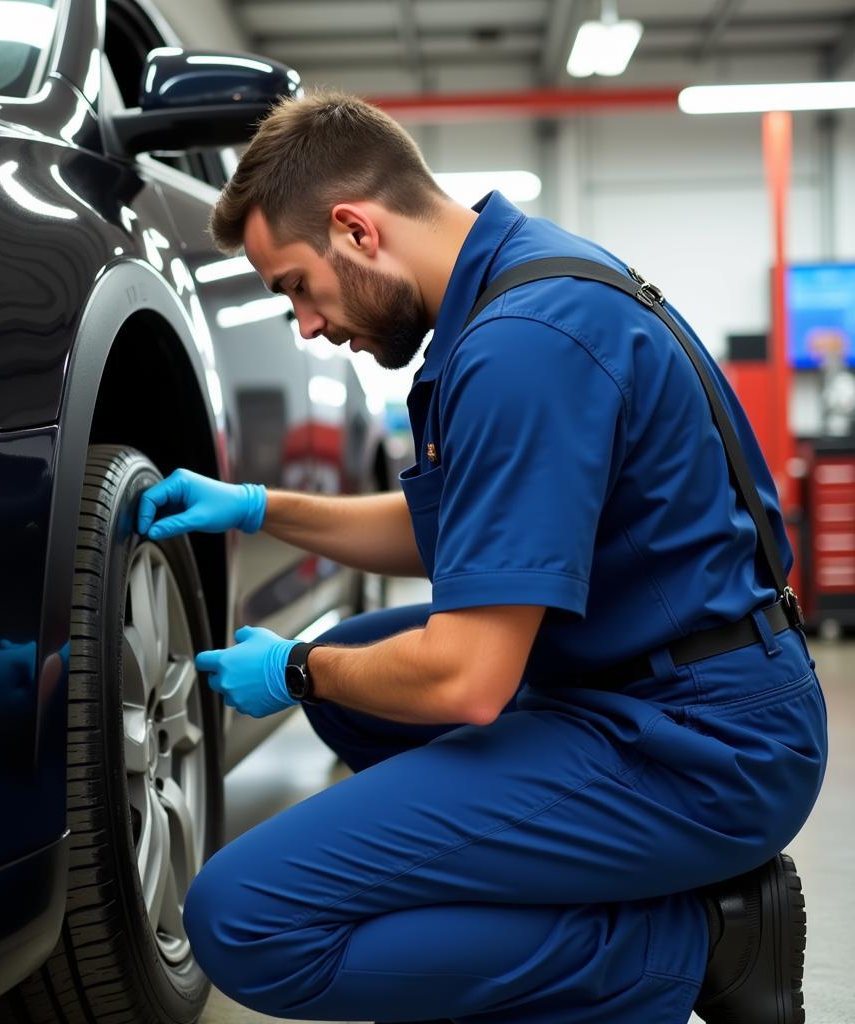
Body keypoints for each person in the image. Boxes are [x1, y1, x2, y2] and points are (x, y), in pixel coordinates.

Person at [135, 93, 827, 1024]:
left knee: (244, 918)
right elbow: (461, 529)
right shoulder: (510, 285)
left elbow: (468, 682)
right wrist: (260, 509)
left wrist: (298, 666)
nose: (304, 323)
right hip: (656, 686)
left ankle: (700, 938)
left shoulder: (522, 347)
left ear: (355, 230)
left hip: (705, 745)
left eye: (295, 285)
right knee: (376, 677)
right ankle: (537, 936)